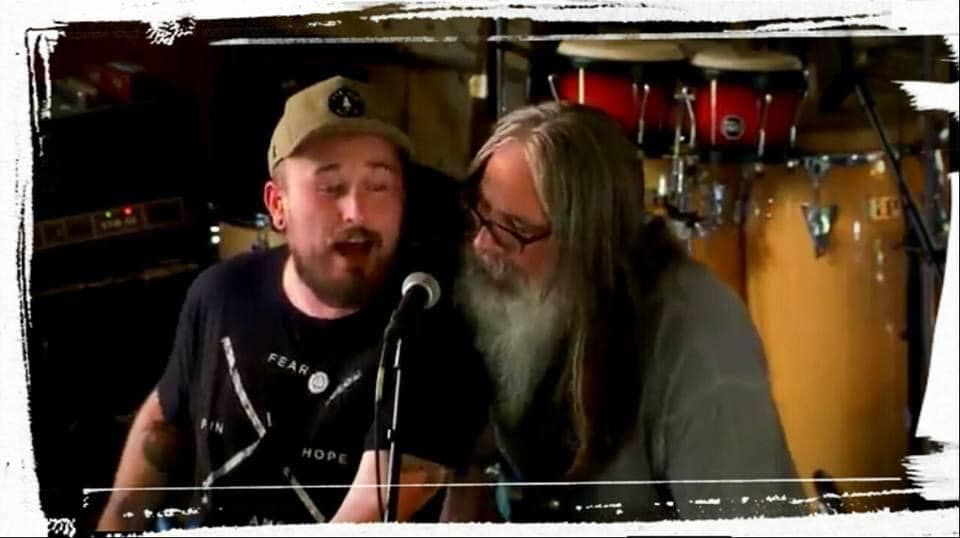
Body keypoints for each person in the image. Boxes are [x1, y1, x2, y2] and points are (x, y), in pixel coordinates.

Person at [96, 75, 488, 531]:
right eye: (330, 187)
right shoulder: (220, 294)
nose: (356, 212)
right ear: (277, 205)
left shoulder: (427, 326)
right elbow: (162, 425)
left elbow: (367, 511)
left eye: (379, 186)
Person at [442, 102, 807, 522]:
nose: (483, 245)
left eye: (517, 228)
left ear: (588, 241)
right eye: (482, 213)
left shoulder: (698, 339)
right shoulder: (500, 293)